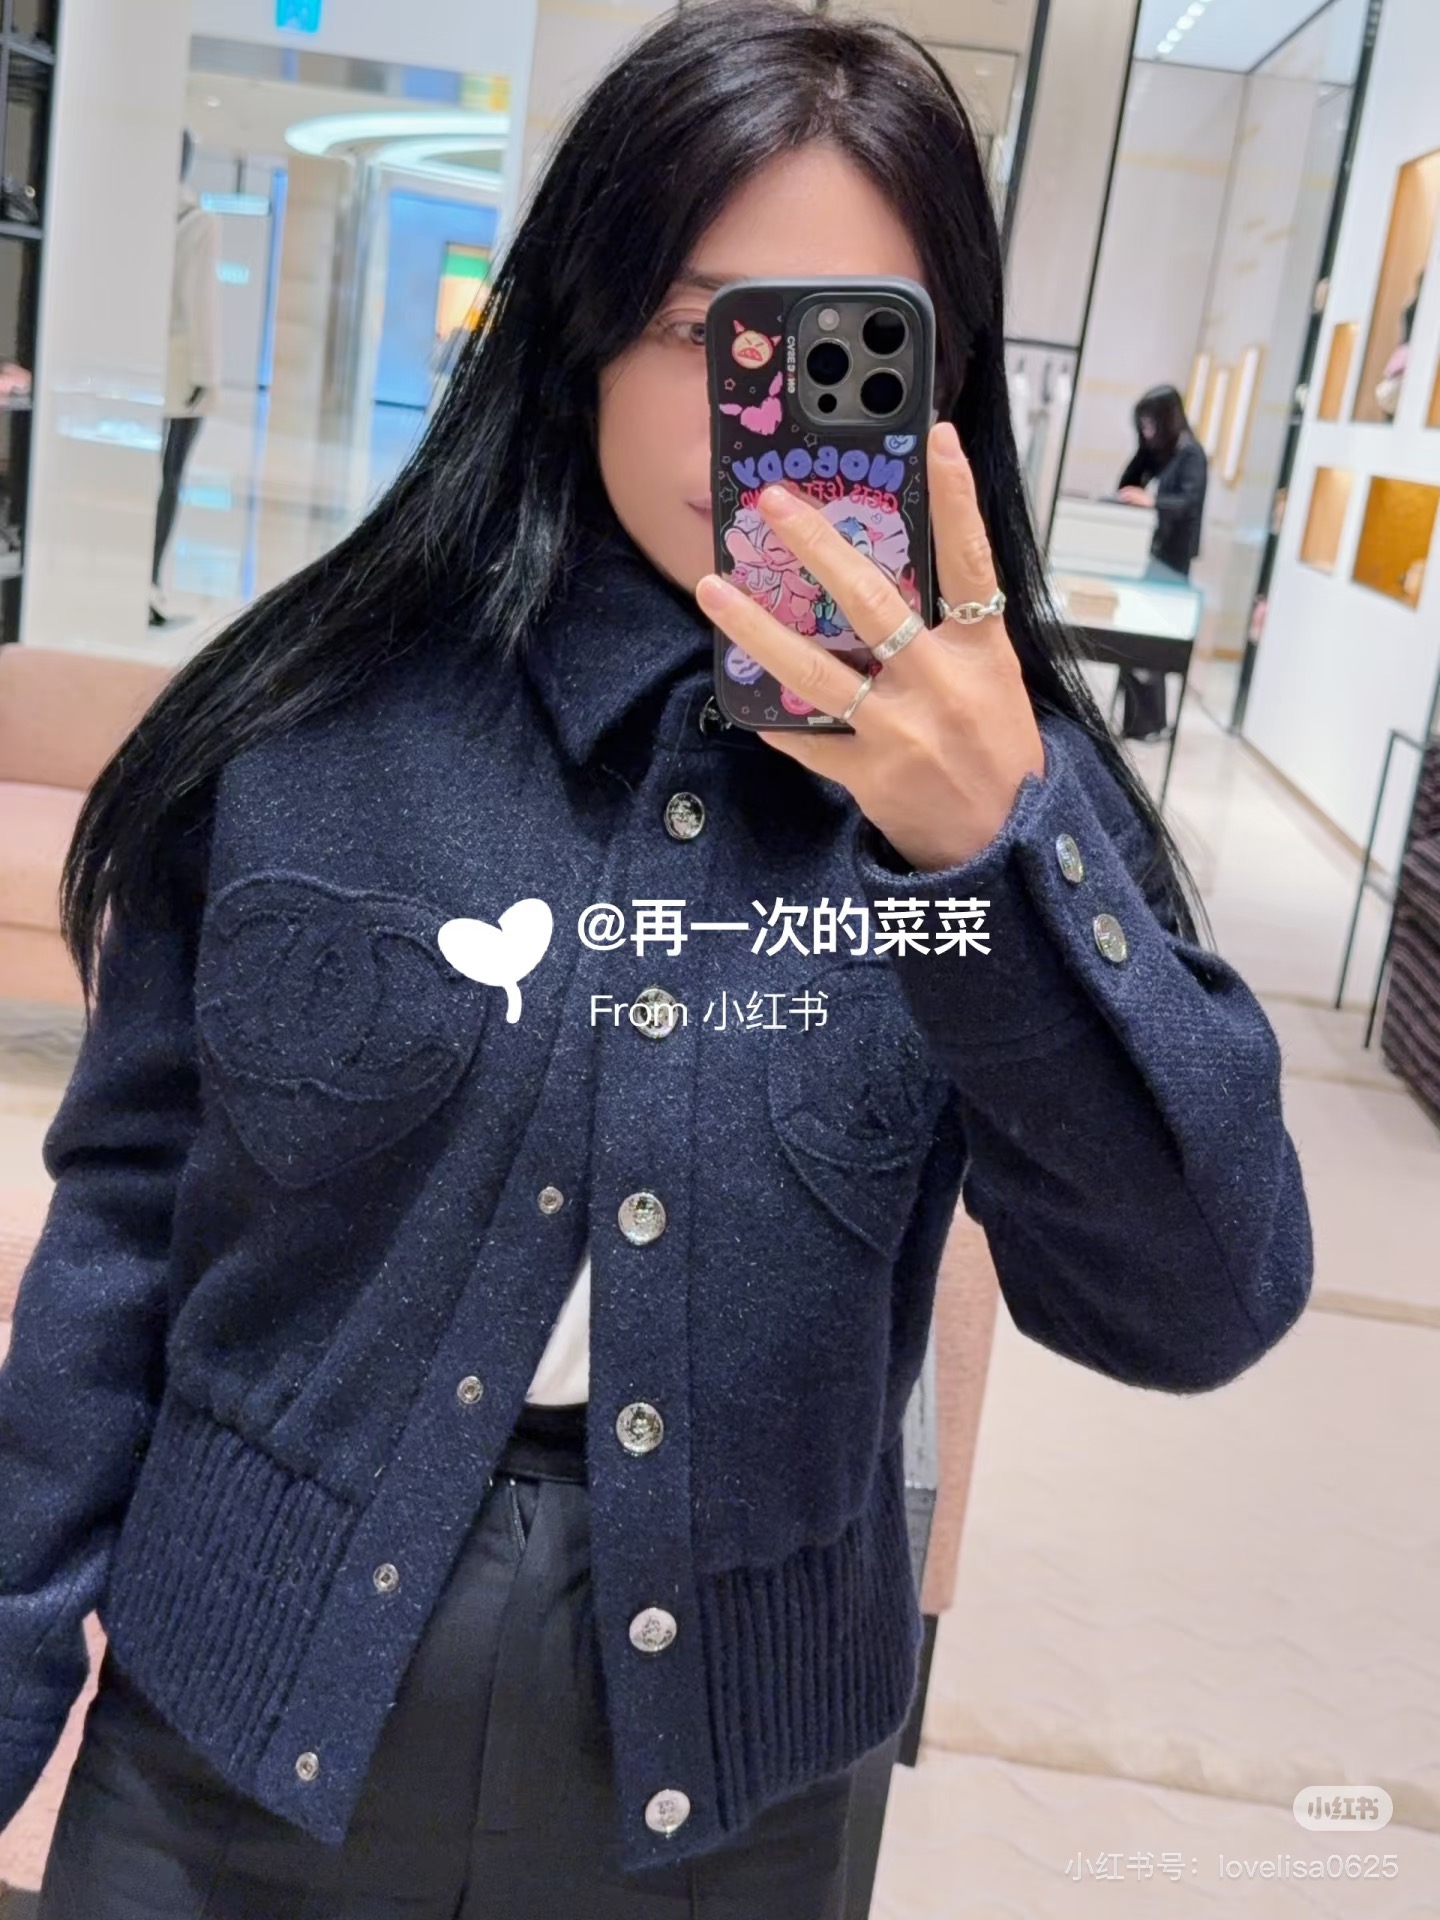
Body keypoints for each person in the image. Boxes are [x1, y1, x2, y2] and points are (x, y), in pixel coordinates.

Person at [2, 5, 1311, 1915]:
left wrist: (991, 863)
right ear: (585, 326)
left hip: (730, 1802)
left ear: (941, 391)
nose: (754, 415)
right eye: (708, 329)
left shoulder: (996, 807)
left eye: (848, 348)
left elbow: (1195, 1301)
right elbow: (123, 1235)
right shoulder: (320, 724)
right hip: (223, 1747)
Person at [150, 129, 221, 628]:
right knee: (170, 479)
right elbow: (201, 305)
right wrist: (207, 374)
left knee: (149, 478)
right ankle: (150, 587)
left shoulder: (142, 216)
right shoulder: (198, 221)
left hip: (141, 365)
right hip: (179, 371)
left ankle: (142, 583)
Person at [1114, 384, 1208, 742]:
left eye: (1151, 423)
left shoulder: (1191, 455)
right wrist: (1143, 447)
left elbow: (1188, 503)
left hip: (1173, 562)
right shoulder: (1165, 454)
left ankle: (1150, 722)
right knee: (1139, 639)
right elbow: (1128, 482)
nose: (1148, 430)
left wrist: (1151, 502)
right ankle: (1138, 721)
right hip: (1153, 557)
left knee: (1153, 642)